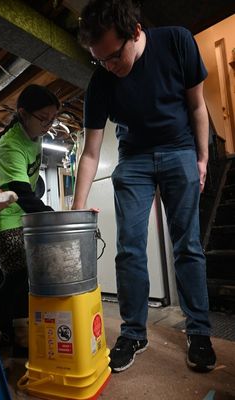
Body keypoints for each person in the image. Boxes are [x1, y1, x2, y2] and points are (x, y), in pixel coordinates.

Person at [72, 0, 216, 373]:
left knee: (187, 245)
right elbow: (89, 153)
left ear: (135, 32)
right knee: (129, 250)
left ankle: (198, 331)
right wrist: (77, 210)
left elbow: (198, 107)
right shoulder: (102, 79)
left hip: (179, 149)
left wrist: (201, 159)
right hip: (134, 160)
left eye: (114, 57)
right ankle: (134, 332)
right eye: (99, 60)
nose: (109, 67)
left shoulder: (178, 42)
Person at [0, 84, 60, 351]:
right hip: (4, 216)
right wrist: (54, 219)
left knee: (29, 274)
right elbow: (22, 194)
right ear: (23, 113)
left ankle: (20, 329)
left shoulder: (35, 136)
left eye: (52, 119)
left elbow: (32, 185)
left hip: (23, 215)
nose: (48, 125)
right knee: (19, 273)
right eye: (43, 118)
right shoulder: (10, 145)